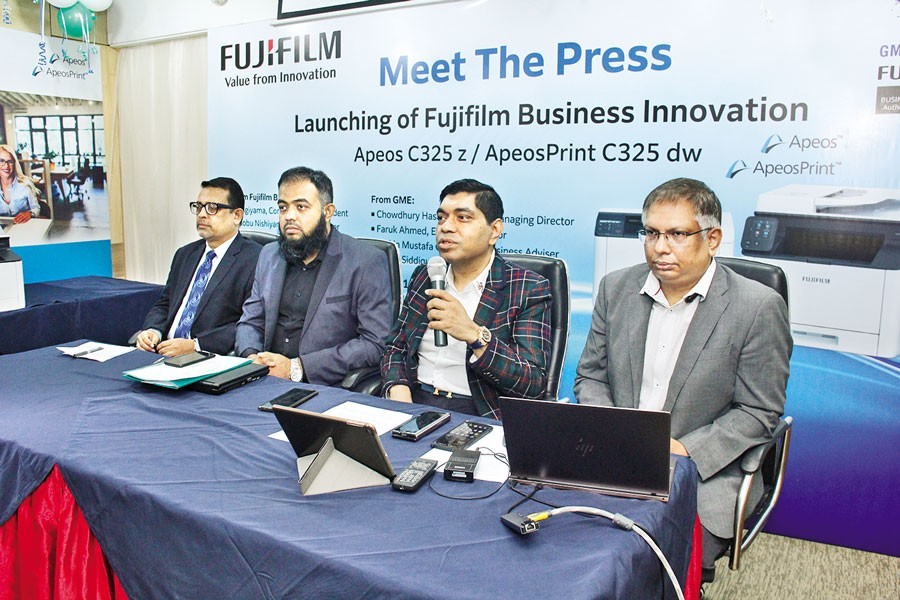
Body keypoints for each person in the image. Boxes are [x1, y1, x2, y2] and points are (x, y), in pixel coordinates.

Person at [574, 177, 791, 583]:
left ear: (713, 239)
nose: (660, 247)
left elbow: (759, 412)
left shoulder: (757, 308)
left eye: (677, 234)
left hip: (701, 470)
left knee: (645, 561)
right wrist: (615, 431)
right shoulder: (615, 288)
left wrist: (681, 449)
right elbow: (591, 376)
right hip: (614, 456)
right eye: (652, 233)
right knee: (565, 539)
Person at [381, 178, 552, 419]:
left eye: (462, 217)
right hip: (413, 402)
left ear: (494, 231)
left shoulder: (527, 287)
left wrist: (474, 334)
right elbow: (395, 348)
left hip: (478, 412)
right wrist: (399, 396)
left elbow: (532, 383)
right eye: (441, 218)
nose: (446, 227)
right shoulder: (426, 275)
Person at [235, 166, 393, 385]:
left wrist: (296, 367)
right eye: (283, 207)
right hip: (262, 379)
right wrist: (251, 357)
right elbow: (250, 322)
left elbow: (374, 343)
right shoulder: (269, 255)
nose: (289, 216)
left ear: (327, 212)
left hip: (322, 387)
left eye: (301, 207)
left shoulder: (365, 261)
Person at [135, 177, 261, 356]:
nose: (202, 214)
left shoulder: (256, 260)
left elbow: (249, 323)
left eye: (212, 208)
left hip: (207, 359)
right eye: (199, 207)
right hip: (162, 352)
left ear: (237, 215)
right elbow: (165, 304)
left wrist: (196, 345)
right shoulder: (185, 254)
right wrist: (152, 330)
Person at [0, 145, 40, 223]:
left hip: (23, 228)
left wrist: (29, 213)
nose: (6, 166)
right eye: (1, 161)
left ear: (14, 164)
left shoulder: (26, 185)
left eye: (10, 161)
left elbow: (36, 208)